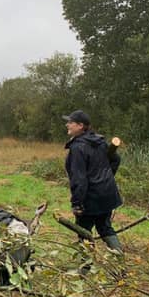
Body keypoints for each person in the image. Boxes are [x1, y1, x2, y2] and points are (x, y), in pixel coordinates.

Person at [63, 110, 123, 258]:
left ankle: (85, 267)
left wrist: (77, 203)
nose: (67, 125)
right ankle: (120, 260)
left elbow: (79, 179)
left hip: (90, 197)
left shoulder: (78, 147)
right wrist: (106, 179)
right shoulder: (99, 141)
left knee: (84, 231)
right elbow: (116, 160)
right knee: (105, 227)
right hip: (107, 194)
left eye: (70, 122)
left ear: (80, 126)